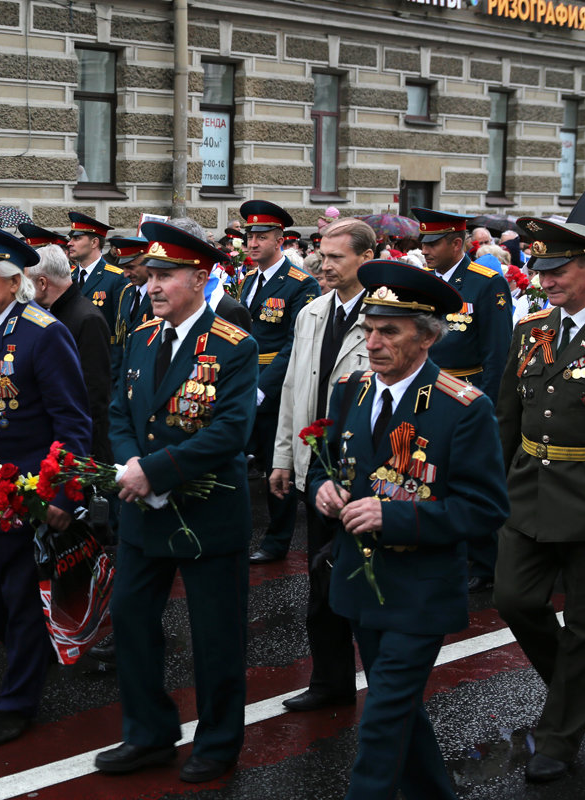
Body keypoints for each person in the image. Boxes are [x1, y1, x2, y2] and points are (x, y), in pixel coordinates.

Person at [311, 260, 508, 800]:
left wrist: (392, 515)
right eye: (369, 329)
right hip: (360, 584)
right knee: (400, 711)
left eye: (389, 331)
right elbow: (324, 465)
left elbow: (485, 508)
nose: (372, 342)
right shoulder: (349, 391)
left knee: (380, 723)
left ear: (425, 339)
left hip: (418, 592)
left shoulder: (462, 408)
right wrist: (323, 492)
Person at [94, 220, 257, 784]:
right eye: (151, 275)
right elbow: (120, 411)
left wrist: (154, 472)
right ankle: (149, 734)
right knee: (131, 619)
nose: (153, 285)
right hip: (143, 509)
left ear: (201, 276)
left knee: (216, 635)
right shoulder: (140, 338)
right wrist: (128, 467)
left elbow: (231, 431)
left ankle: (217, 743)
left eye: (166, 275)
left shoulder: (235, 346)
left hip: (206, 510)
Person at [0, 223, 91, 746]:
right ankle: (31, 653)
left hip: (22, 492)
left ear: (14, 281)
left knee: (21, 593)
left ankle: (18, 700)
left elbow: (72, 422)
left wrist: (60, 493)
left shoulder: (43, 333)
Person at [494, 208, 585, 784]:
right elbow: (508, 416)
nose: (544, 280)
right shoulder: (533, 329)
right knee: (515, 601)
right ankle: (575, 694)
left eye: (559, 269)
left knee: (583, 627)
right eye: (540, 269)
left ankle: (558, 734)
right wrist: (493, 491)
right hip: (529, 490)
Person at [269, 217, 374, 713]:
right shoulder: (311, 312)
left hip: (368, 470)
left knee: (370, 578)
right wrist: (284, 458)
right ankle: (330, 680)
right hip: (317, 466)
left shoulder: (383, 315)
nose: (323, 264)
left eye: (336, 256)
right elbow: (294, 390)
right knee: (320, 575)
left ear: (365, 260)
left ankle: (385, 682)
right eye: (321, 254)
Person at [414, 207, 512, 592]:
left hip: (467, 393)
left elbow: (496, 351)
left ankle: (484, 561)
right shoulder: (423, 282)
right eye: (423, 243)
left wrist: (486, 406)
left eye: (433, 243)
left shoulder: (486, 283)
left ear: (457, 243)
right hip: (426, 391)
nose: (426, 250)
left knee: (468, 476)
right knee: (426, 469)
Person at [239, 200, 320, 565]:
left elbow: (295, 344)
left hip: (277, 385)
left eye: (261, 236)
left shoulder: (301, 284)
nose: (252, 243)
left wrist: (263, 387)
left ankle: (277, 540)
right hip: (245, 380)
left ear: (280, 240)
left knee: (277, 465)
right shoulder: (248, 281)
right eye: (249, 236)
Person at [25, 242, 112, 463]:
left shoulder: (86, 318)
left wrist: (79, 454)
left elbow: (94, 394)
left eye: (27, 283)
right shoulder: (55, 314)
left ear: (42, 283)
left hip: (80, 449)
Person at [65, 212, 128, 341]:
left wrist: (114, 361)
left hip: (102, 355)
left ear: (94, 242)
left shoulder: (116, 278)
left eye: (77, 238)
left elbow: (120, 332)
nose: (69, 243)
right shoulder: (69, 277)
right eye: (71, 239)